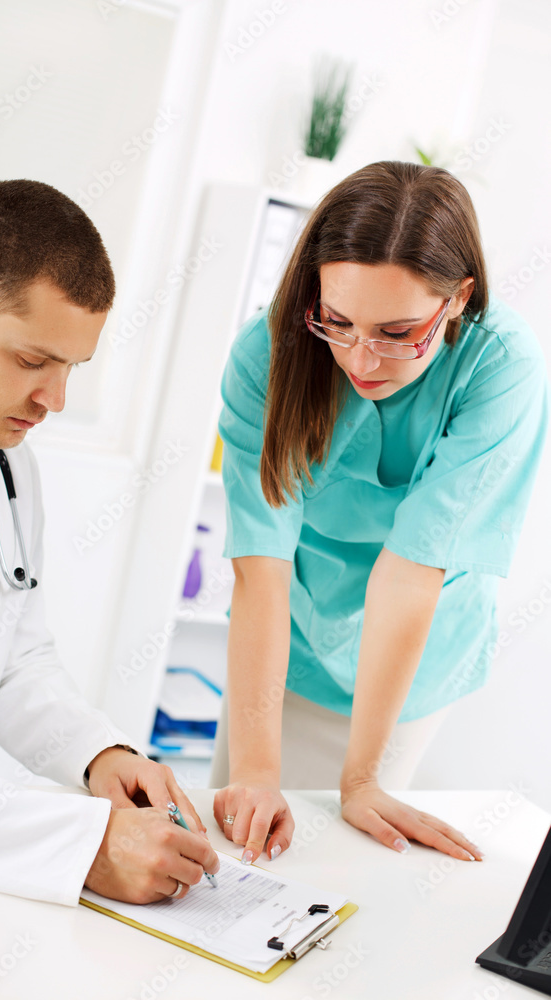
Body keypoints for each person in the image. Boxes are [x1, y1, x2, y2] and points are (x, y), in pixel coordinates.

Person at [0, 179, 218, 906]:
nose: (55, 401)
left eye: (72, 367)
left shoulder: (5, 466)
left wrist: (97, 754)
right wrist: (81, 843)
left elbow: (11, 656)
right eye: (33, 361)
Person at [210, 161, 548, 867]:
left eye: (397, 332)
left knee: (343, 865)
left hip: (412, 654)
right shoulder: (265, 354)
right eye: (336, 322)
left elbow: (411, 571)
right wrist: (255, 772)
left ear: (458, 299)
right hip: (291, 636)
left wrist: (361, 778)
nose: (359, 358)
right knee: (237, 849)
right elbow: (261, 571)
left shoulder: (501, 370)